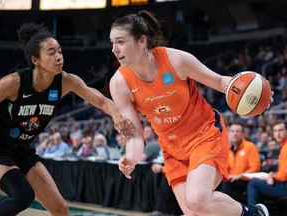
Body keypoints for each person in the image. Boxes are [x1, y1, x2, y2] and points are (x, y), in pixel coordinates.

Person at [109, 10, 272, 216]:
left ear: (142, 41)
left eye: (121, 42)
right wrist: (131, 157)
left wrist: (256, 95)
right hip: (172, 148)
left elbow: (219, 81)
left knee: (196, 202)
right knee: (193, 211)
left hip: (204, 134)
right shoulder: (119, 83)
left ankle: (254, 213)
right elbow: (136, 134)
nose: (114, 49)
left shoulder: (175, 60)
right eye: (112, 42)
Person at [0, 22, 134, 216]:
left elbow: (102, 101)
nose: (59, 56)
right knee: (22, 195)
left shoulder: (66, 81)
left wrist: (117, 115)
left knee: (60, 209)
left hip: (23, 149)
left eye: (59, 51)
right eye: (51, 52)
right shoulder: (14, 82)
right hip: (0, 146)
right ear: (35, 60)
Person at [220, 119, 261, 202]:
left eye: (237, 131)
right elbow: (224, 168)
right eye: (232, 131)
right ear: (229, 133)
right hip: (231, 179)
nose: (235, 134)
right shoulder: (227, 149)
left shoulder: (250, 147)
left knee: (226, 184)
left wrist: (240, 175)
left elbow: (255, 168)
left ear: (243, 134)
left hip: (244, 181)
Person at [247, 120, 287, 205]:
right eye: (275, 131)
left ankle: (253, 213)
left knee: (253, 184)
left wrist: (273, 176)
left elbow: (283, 176)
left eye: (281, 130)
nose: (278, 133)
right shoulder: (283, 146)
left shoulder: (285, 148)